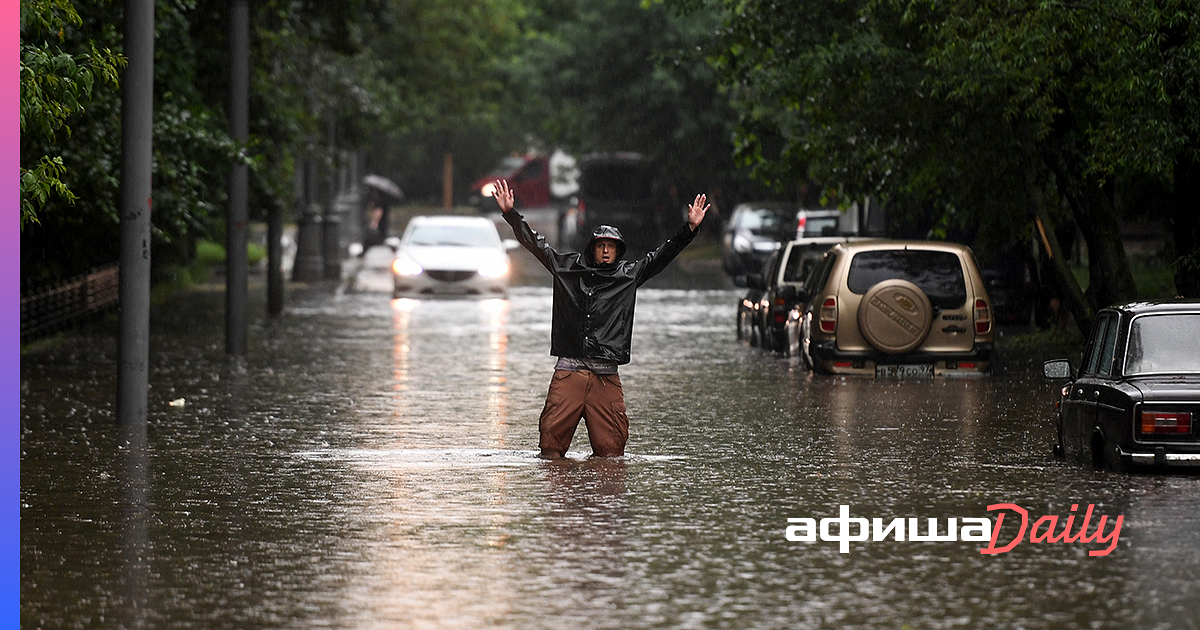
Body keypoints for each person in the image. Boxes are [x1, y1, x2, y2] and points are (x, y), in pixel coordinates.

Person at [494, 178, 709, 459]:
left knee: (612, 455)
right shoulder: (567, 269)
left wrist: (690, 228)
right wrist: (511, 214)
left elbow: (661, 257)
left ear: (619, 250)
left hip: (606, 377)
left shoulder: (628, 275)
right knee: (550, 451)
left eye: (611, 246)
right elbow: (536, 245)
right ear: (592, 248)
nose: (606, 250)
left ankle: (603, 502)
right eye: (601, 246)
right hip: (569, 372)